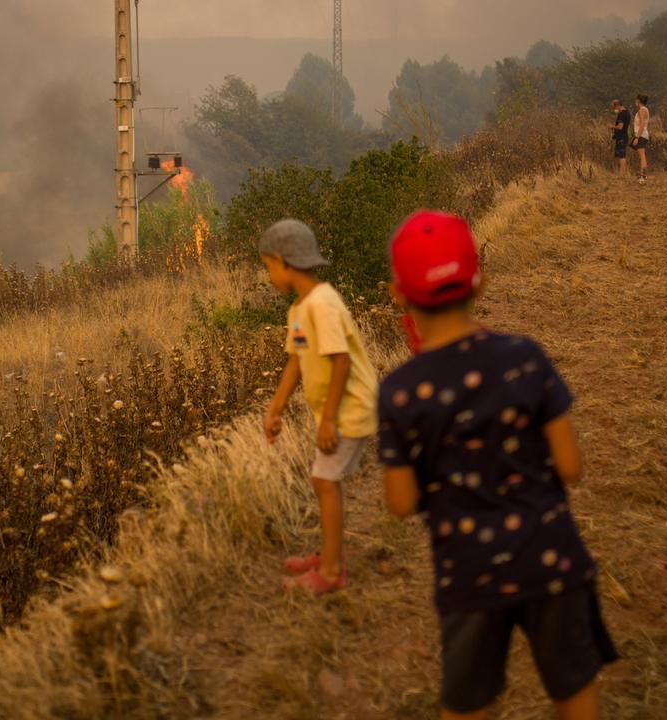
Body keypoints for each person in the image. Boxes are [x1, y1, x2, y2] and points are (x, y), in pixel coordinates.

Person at [378, 211, 618, 720]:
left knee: (466, 704)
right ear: (480, 279)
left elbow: (400, 503)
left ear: (398, 294)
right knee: (574, 690)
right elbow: (571, 466)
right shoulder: (524, 357)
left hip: (470, 575)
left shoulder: (400, 392)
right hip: (553, 560)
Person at [260, 219, 378, 594]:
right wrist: (275, 409)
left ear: (283, 261)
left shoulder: (323, 304)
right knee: (324, 479)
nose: (269, 277)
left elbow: (340, 359)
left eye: (268, 268)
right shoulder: (299, 310)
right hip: (336, 410)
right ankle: (331, 555)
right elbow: (296, 361)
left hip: (350, 408)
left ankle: (331, 571)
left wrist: (328, 421)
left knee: (324, 480)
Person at [630, 94, 650, 183]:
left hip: (641, 135)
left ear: (638, 101)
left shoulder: (642, 110)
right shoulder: (645, 109)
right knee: (642, 155)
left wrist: (637, 137)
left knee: (642, 155)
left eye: (636, 100)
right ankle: (643, 176)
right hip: (643, 135)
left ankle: (643, 176)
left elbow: (641, 125)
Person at [609, 99, 630, 175]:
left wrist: (612, 126)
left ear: (617, 105)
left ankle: (622, 173)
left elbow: (620, 127)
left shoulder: (622, 114)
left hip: (621, 137)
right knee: (621, 155)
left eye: (614, 108)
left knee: (622, 155)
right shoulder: (627, 113)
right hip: (624, 136)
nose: (614, 110)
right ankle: (622, 172)